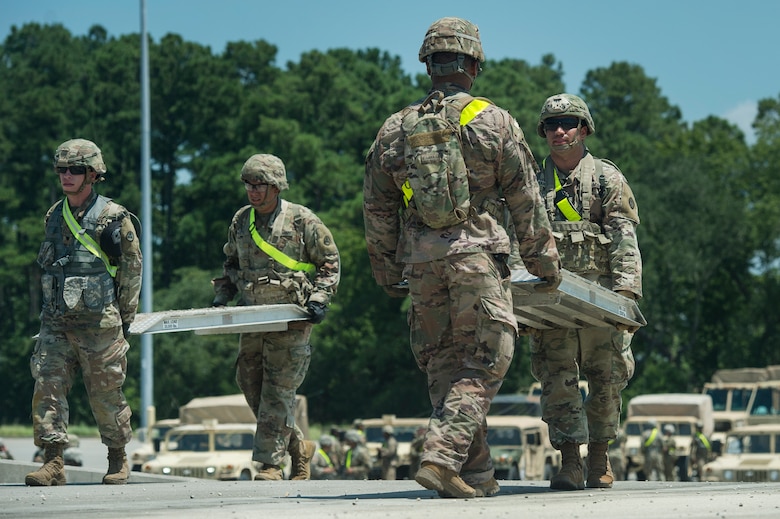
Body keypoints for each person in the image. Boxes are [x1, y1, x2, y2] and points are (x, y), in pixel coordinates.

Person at [364, 17, 561, 499]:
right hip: (476, 255)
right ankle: (442, 455)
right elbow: (526, 199)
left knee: (443, 363)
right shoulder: (494, 121)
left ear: (428, 66)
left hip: (420, 263)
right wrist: (543, 262)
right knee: (490, 355)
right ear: (473, 65)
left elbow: (377, 207)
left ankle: (475, 474)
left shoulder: (394, 129)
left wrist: (387, 270)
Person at [531, 93, 642, 490]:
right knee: (556, 378)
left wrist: (626, 296)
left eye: (568, 123)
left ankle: (599, 456)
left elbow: (623, 237)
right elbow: (518, 236)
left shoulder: (605, 178)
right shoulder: (533, 181)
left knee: (607, 377)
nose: (559, 131)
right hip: (550, 298)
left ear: (584, 129)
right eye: (551, 125)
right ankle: (569, 462)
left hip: (601, 297)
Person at [212, 153, 340, 481]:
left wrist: (320, 298)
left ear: (277, 186)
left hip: (291, 319)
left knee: (277, 390)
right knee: (249, 383)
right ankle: (298, 446)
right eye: (248, 185)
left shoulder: (302, 220)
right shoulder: (242, 220)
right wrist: (222, 297)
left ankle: (270, 465)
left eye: (260, 185)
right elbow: (231, 263)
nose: (253, 191)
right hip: (253, 317)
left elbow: (329, 262)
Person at [26, 138, 142, 486]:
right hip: (56, 323)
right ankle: (53, 461)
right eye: (61, 169)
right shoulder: (53, 215)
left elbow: (131, 270)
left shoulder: (113, 217)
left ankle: (117, 457)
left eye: (75, 169)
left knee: (106, 394)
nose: (66, 175)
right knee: (47, 387)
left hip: (99, 325)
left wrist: (125, 319)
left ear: (92, 174)